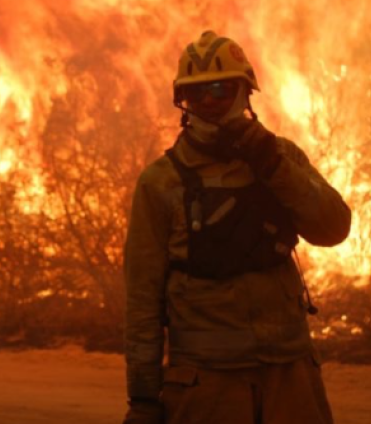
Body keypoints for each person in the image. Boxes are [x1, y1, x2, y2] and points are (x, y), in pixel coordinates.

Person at [123, 31, 351, 424]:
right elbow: (142, 302)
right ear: (183, 101)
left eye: (220, 89)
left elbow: (333, 229)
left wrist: (274, 167)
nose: (209, 102)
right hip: (207, 385)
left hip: (290, 374)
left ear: (244, 91)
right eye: (198, 93)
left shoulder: (282, 158)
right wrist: (143, 399)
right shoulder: (161, 183)